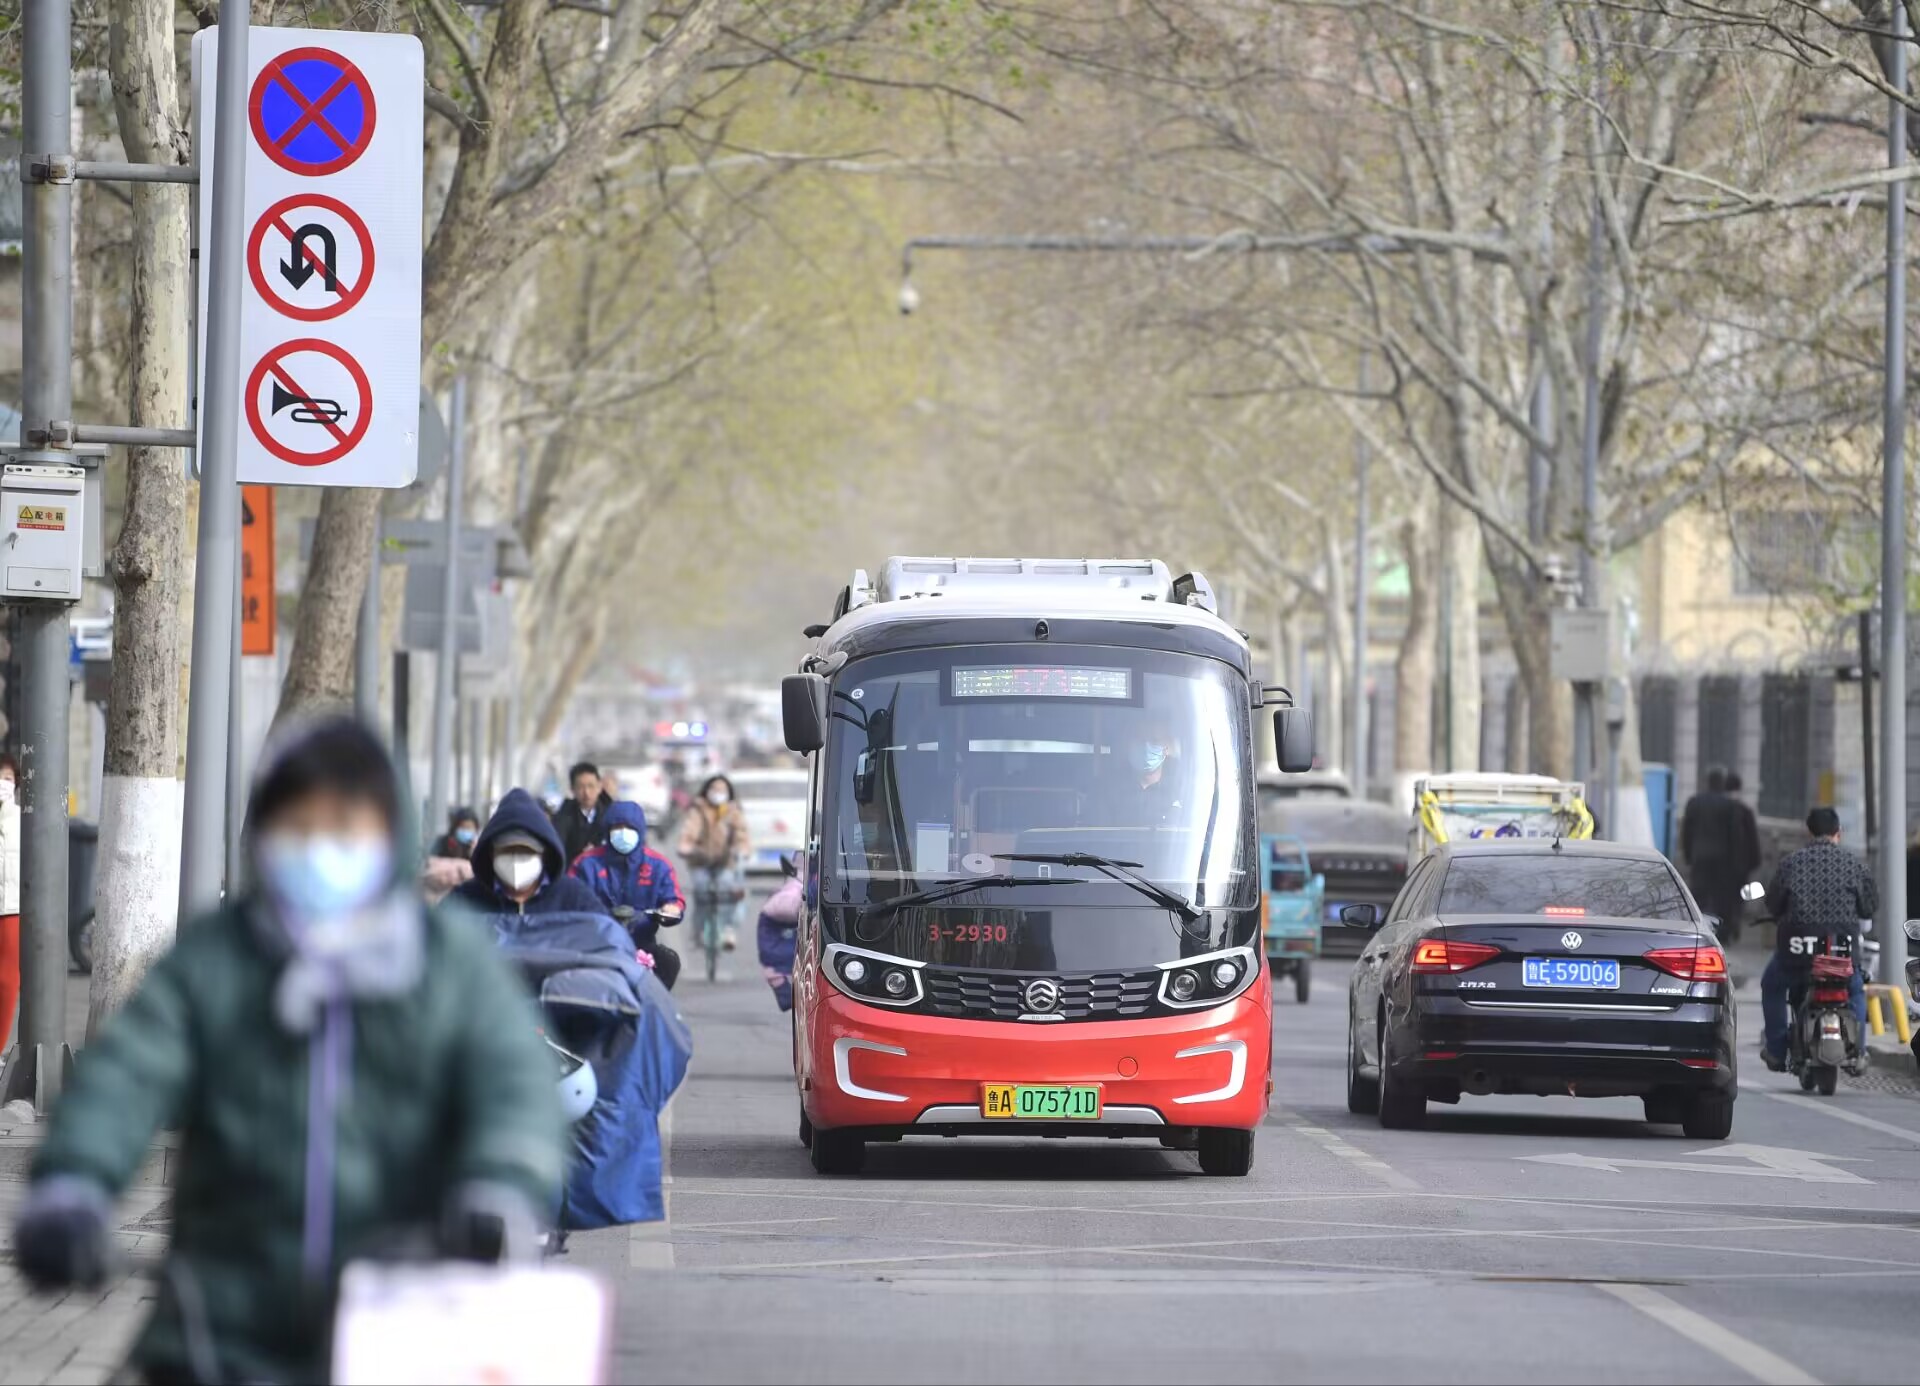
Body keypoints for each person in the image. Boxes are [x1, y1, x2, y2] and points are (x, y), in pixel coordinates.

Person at [9, 717, 567, 1384]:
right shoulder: (216, 959)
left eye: (345, 831)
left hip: (403, 1317)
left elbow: (515, 1088)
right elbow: (126, 1072)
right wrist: (74, 1184)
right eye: (299, 830)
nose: (321, 850)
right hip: (216, 1319)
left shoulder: (451, 964)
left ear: (390, 841)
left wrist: (500, 1183)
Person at [1759, 805, 1874, 1071]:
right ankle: (1859, 1051)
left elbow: (1773, 905)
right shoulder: (1855, 864)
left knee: (1772, 985)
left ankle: (1777, 1049)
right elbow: (1869, 907)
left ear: (1807, 832)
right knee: (1855, 988)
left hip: (1797, 954)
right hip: (1840, 953)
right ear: (1839, 833)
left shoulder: (1790, 863)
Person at [570, 801, 686, 988]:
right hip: (596, 945)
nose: (623, 832)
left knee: (668, 962)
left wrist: (671, 910)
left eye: (628, 828)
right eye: (617, 828)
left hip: (642, 944)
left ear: (639, 831)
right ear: (608, 831)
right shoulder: (587, 864)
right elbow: (569, 898)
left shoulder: (658, 865)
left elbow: (674, 901)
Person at [450, 787, 606, 917]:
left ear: (543, 855)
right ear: (491, 854)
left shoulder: (573, 897)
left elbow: (609, 938)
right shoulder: (465, 899)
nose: (516, 860)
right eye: (507, 851)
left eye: (526, 851)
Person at [677, 774, 751, 952]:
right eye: (715, 789)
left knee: (727, 889)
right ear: (707, 791)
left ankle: (727, 929)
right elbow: (689, 832)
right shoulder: (698, 810)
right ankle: (698, 932)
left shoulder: (733, 812)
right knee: (702, 891)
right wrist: (686, 846)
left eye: (722, 790)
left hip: (726, 862)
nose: (718, 793)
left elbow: (742, 836)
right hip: (700, 861)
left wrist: (741, 849)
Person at [1679, 766, 1742, 938]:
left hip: (1699, 855)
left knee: (1698, 895)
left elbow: (1687, 831)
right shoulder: (1729, 805)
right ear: (1721, 783)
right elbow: (1734, 835)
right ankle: (1720, 933)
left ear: (1707, 782)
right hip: (1723, 859)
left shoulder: (1695, 802)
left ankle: (1694, 931)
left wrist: (1688, 855)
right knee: (1721, 897)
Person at [1722, 772, 1763, 944]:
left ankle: (1724, 930)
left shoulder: (1721, 809)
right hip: (1741, 866)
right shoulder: (1745, 811)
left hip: (1722, 865)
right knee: (1738, 899)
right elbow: (1753, 839)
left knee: (1722, 898)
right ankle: (1734, 927)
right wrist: (1754, 862)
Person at [552, 762, 614, 866]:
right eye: (581, 787)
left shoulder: (611, 814)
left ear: (599, 787)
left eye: (591, 786)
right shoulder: (563, 816)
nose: (586, 792)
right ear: (572, 789)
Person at [0, 754, 18, 1052]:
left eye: (8, 779)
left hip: (12, 910)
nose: (3, 784)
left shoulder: (24, 818)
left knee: (7, 982)